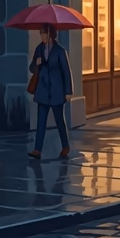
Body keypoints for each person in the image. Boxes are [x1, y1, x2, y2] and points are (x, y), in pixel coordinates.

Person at [28, 25, 72, 159]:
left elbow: (66, 71)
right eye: (41, 34)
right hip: (42, 90)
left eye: (44, 34)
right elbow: (31, 68)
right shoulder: (39, 49)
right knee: (41, 121)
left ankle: (65, 146)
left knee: (59, 121)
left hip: (57, 91)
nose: (42, 37)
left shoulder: (60, 51)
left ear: (51, 35)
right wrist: (37, 63)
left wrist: (68, 91)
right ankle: (37, 150)